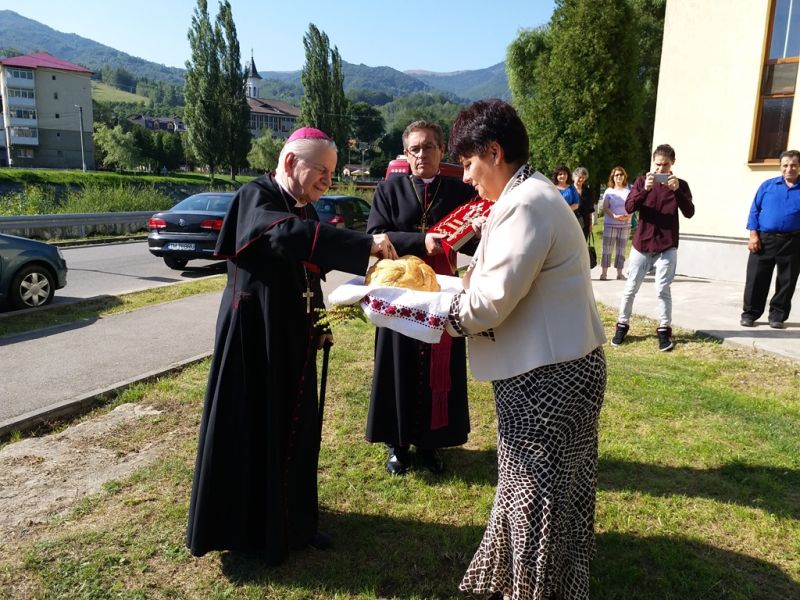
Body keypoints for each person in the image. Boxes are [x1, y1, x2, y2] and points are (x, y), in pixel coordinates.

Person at [186, 127, 397, 565]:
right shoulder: (256, 196)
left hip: (294, 332)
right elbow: (284, 238)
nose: (328, 181)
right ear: (289, 162)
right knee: (256, 426)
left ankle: (296, 522)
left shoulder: (304, 207)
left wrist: (319, 321)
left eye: (332, 173)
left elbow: (310, 270)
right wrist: (366, 245)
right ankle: (253, 532)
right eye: (322, 171)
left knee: (297, 429)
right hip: (255, 335)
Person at [446, 99, 607, 600]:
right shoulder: (530, 194)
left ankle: (531, 591)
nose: (466, 177)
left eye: (468, 163)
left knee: (534, 498)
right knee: (546, 493)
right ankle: (536, 584)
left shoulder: (526, 203)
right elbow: (494, 277)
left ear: (494, 152)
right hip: (558, 367)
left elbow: (489, 303)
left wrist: (429, 314)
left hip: (547, 379)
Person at [365, 120, 477, 475]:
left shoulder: (459, 191)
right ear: (405, 153)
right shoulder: (389, 190)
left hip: (442, 293)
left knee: (437, 368)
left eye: (429, 146)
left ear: (441, 151)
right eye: (414, 148)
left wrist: (482, 231)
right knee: (397, 365)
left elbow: (472, 239)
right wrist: (420, 241)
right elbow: (376, 235)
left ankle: (431, 444)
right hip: (399, 292)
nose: (421, 154)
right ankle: (397, 444)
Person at [610, 144, 695, 352]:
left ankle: (664, 330)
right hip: (642, 244)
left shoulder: (680, 185)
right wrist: (645, 190)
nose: (660, 170)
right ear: (652, 163)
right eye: (657, 165)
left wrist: (676, 191)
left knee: (662, 289)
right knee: (630, 288)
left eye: (665, 165)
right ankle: (622, 325)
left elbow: (689, 212)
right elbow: (629, 207)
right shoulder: (642, 182)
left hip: (667, 245)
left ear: (672, 163)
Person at [741, 149, 800, 329]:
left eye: (793, 165)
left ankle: (777, 316)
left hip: (793, 241)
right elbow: (754, 211)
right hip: (764, 240)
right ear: (780, 166)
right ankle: (750, 314)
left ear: (799, 167)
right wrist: (753, 235)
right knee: (756, 279)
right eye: (785, 165)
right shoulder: (767, 186)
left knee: (787, 282)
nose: (789, 169)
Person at [600, 166, 632, 280]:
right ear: (612, 177)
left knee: (621, 250)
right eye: (616, 175)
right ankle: (604, 273)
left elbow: (632, 207)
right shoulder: (609, 191)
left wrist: (628, 215)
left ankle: (619, 273)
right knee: (607, 249)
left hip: (625, 225)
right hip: (610, 224)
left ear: (624, 177)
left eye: (621, 174)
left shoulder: (628, 192)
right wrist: (614, 216)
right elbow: (605, 207)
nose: (619, 176)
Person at [574, 166, 599, 240]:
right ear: (574, 176)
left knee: (583, 244)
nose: (581, 179)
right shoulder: (568, 190)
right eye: (580, 177)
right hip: (571, 221)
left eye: (583, 178)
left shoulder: (588, 191)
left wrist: (590, 224)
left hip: (585, 223)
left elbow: (590, 209)